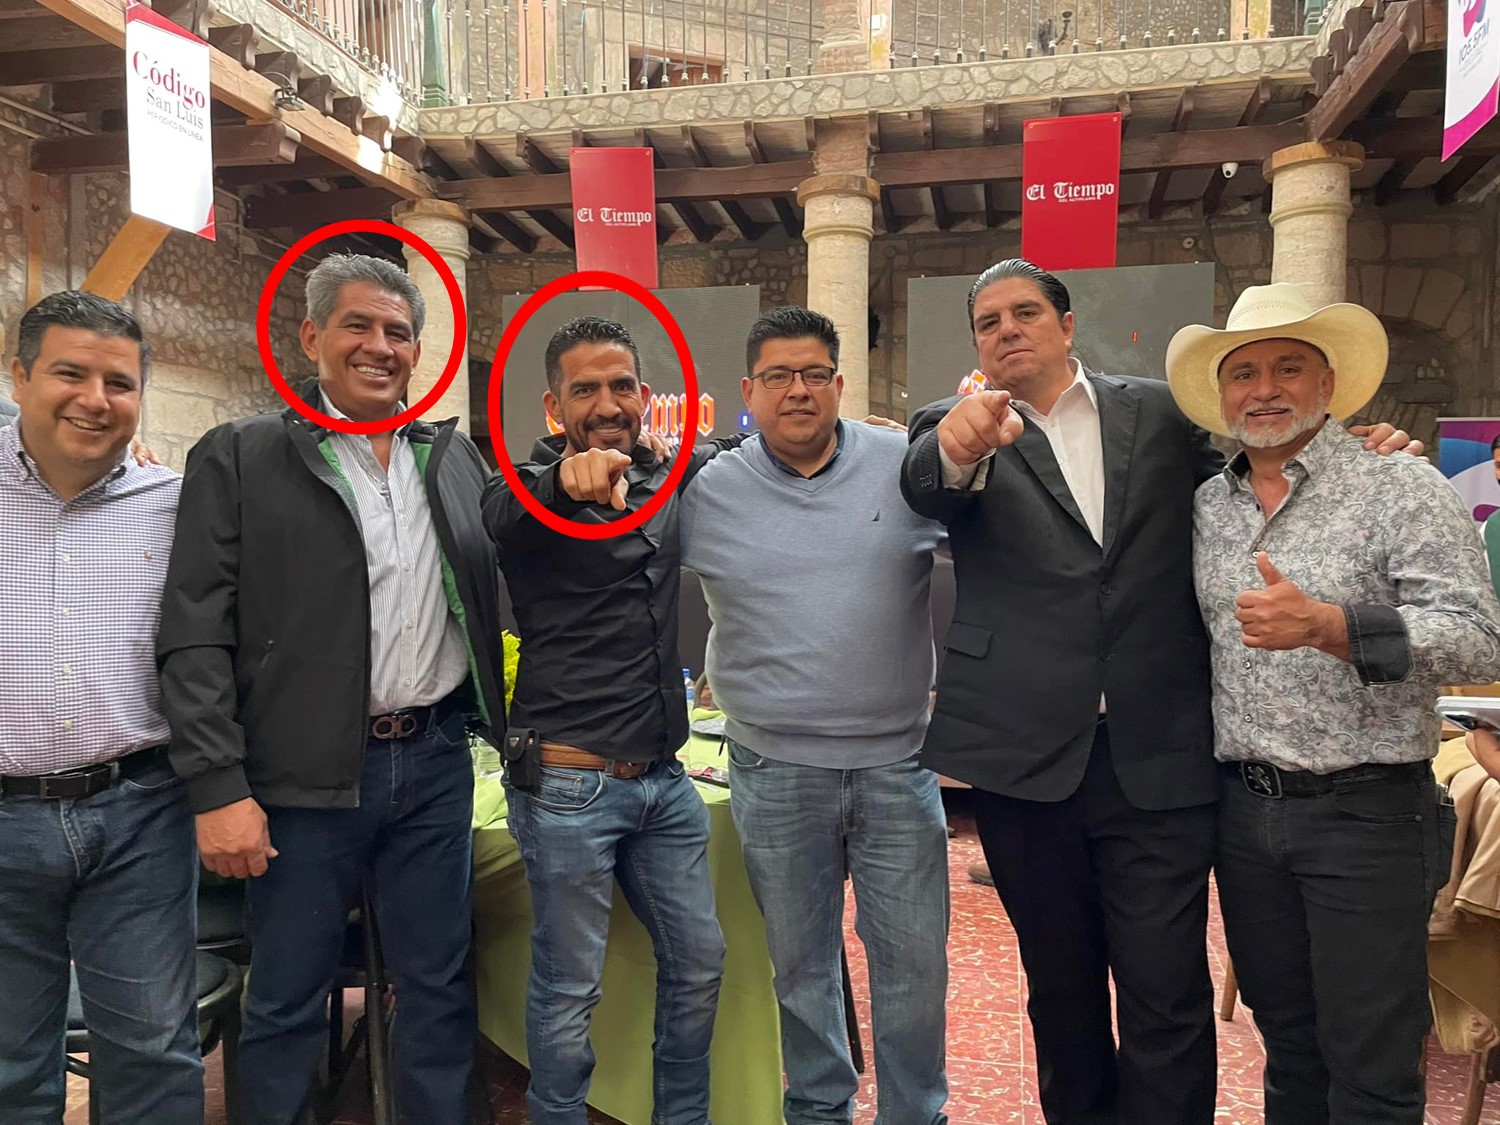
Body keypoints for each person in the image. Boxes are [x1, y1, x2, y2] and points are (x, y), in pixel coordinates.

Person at [899, 259, 1418, 1125]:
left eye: (1026, 312)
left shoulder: (1161, 412)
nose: (1007, 329)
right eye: (988, 322)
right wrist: (959, 441)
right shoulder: (957, 427)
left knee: (1166, 989)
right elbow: (924, 481)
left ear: (1068, 325)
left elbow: (1259, 464)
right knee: (1061, 989)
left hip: (1158, 754)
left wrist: (1356, 450)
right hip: (1024, 759)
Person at [158, 253, 506, 1124]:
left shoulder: (452, 459)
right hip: (300, 779)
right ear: (311, 336)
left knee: (438, 986)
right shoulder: (241, 456)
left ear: (418, 350)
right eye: (359, 325)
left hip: (433, 764)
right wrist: (218, 786)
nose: (379, 346)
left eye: (398, 332)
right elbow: (194, 632)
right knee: (287, 996)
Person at [1169, 283, 1500, 1124]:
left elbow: (1478, 640)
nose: (1264, 389)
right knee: (1288, 1043)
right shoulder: (1206, 506)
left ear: (1328, 384)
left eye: (1289, 367)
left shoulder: (1401, 485)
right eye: (1243, 372)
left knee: (1371, 1065)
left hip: (1368, 815)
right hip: (1245, 814)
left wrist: (1334, 626)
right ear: (1222, 394)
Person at [680, 306, 950, 1124]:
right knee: (800, 969)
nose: (796, 390)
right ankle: (820, 1110)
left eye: (812, 374)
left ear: (839, 383)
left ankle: (914, 1113)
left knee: (913, 968)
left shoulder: (903, 466)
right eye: (777, 376)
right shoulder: (707, 490)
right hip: (773, 768)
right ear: (748, 391)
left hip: (898, 763)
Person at [481, 316, 732, 1125]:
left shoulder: (668, 475)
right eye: (584, 388)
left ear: (643, 394)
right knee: (569, 986)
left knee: (700, 962)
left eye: (621, 384)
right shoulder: (524, 490)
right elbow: (502, 512)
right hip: (567, 786)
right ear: (553, 407)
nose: (606, 402)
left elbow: (737, 449)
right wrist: (568, 480)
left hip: (664, 781)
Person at [0, 292, 199, 1122]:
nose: (95, 399)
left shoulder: (179, 503)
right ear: (19, 375)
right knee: (9, 1060)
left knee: (153, 1049)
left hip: (140, 811)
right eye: (69, 374)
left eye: (119, 383)